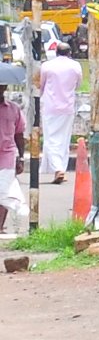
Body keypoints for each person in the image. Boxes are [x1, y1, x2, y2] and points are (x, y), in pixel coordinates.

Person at [34, 40, 81, 182]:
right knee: (64, 140)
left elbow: (41, 86)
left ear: (56, 52)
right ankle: (60, 168)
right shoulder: (76, 66)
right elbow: (78, 85)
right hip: (67, 107)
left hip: (51, 107)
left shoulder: (47, 66)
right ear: (69, 52)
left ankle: (58, 168)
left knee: (50, 139)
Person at [0, 89, 22, 233]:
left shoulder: (14, 109)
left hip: (7, 154)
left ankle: (0, 225)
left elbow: (19, 134)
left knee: (4, 191)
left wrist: (21, 157)